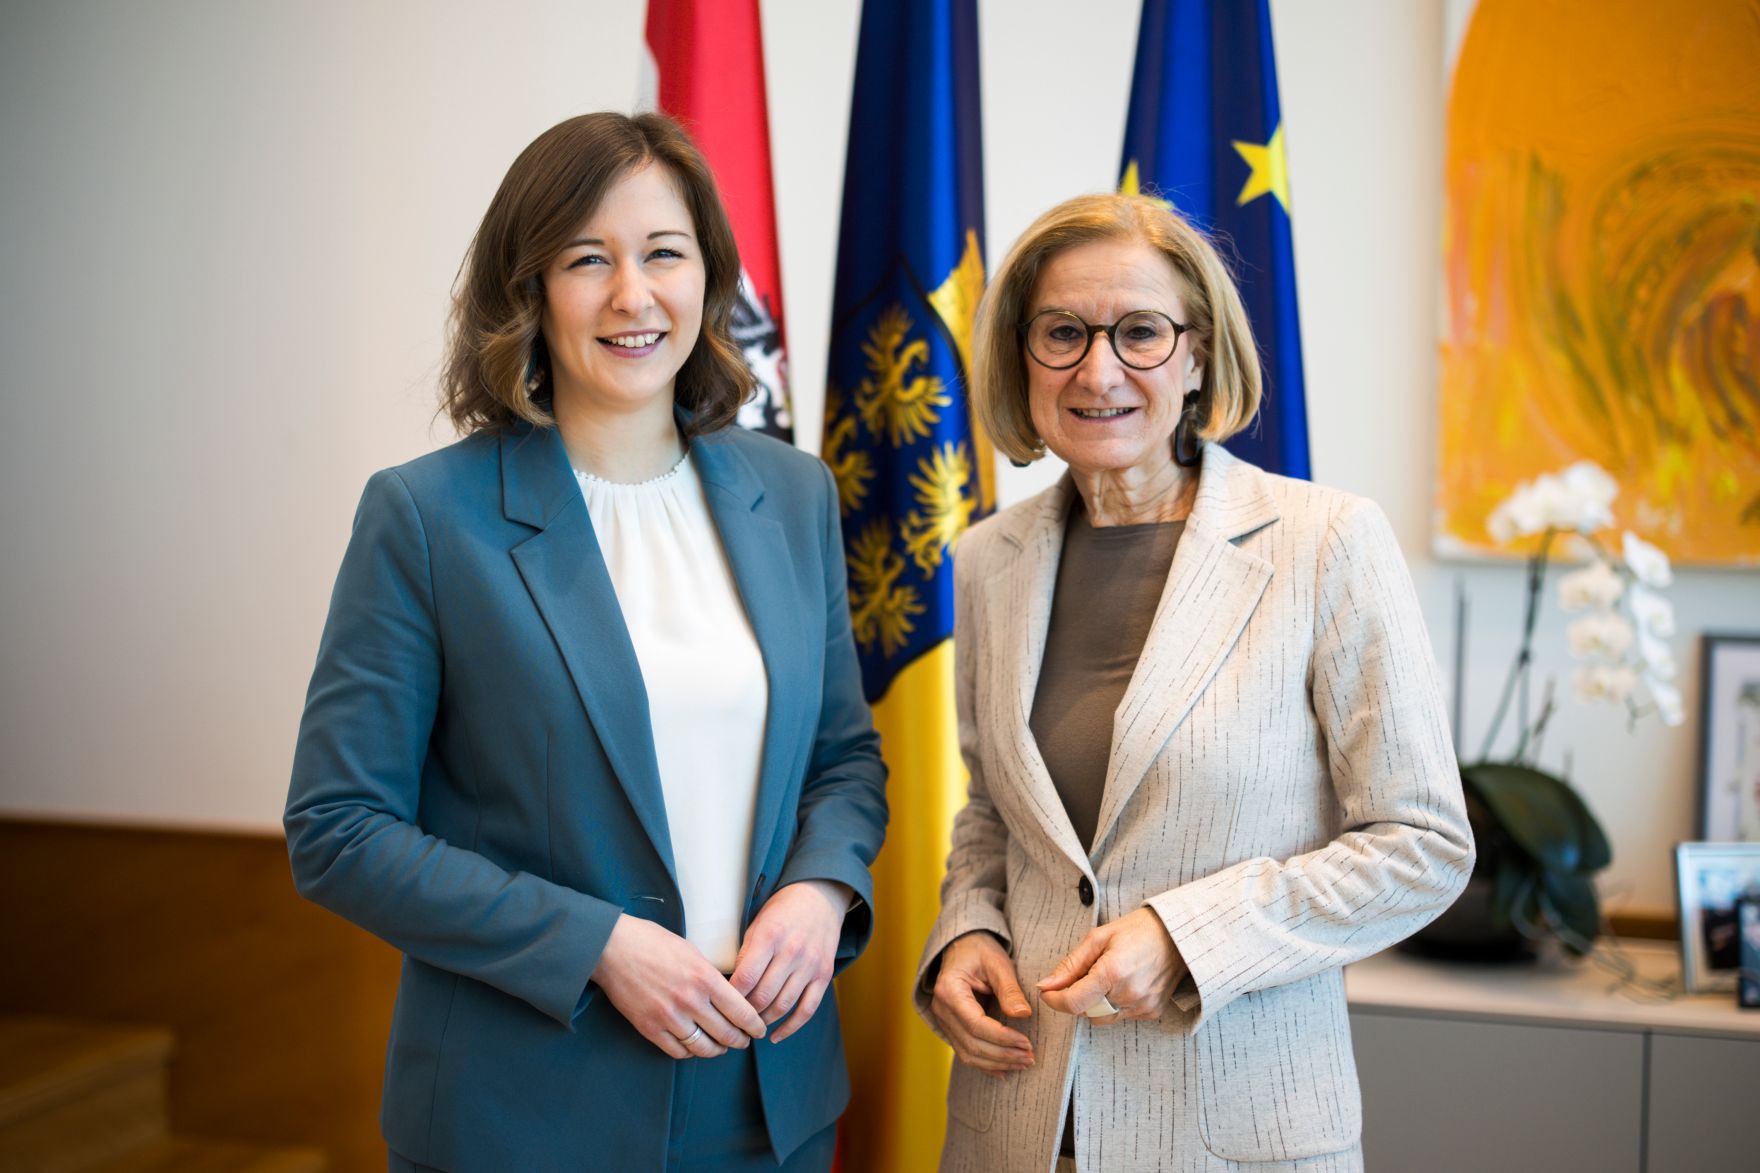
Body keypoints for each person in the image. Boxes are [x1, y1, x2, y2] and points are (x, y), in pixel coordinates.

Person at [285, 112, 887, 1173]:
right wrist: (595, 945)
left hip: (770, 1099)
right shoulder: (427, 519)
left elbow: (843, 760)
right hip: (522, 1116)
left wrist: (820, 889)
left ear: (708, 279)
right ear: (528, 291)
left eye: (663, 253)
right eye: (585, 261)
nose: (631, 295)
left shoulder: (790, 494)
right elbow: (337, 829)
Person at [916, 192, 1474, 1173]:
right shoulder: (986, 560)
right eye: (1061, 333)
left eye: (1139, 332)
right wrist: (964, 936)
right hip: (1014, 1120)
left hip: (1235, 1133)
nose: (1097, 370)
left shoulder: (1325, 543)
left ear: (1198, 355)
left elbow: (1419, 845)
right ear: (1020, 357)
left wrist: (1184, 937)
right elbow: (992, 818)